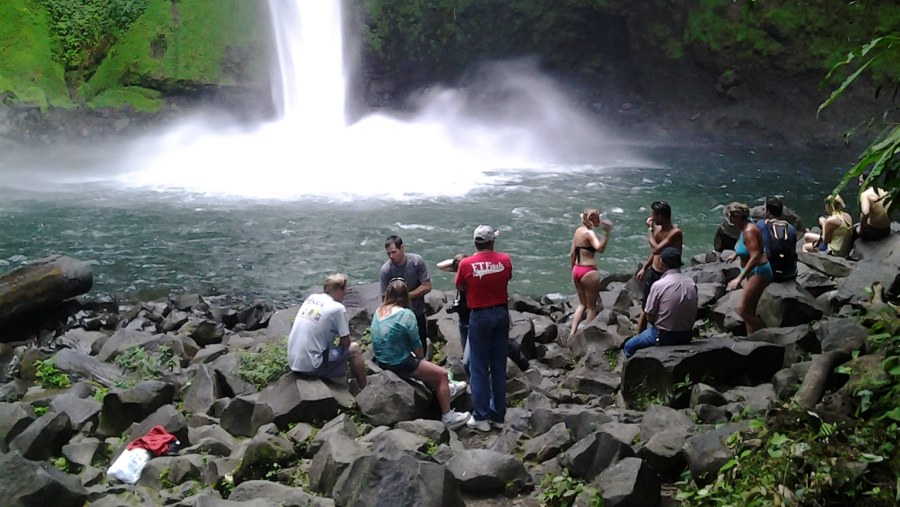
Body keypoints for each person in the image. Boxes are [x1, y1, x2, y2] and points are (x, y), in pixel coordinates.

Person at [371, 278, 471, 430]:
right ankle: (448, 417)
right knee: (442, 374)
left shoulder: (379, 310)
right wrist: (421, 358)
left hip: (381, 360)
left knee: (427, 371)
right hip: (399, 363)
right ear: (406, 295)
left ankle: (445, 390)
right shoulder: (406, 314)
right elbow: (417, 346)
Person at [455, 225, 512, 432]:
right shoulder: (505, 260)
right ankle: (498, 415)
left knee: (478, 368)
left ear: (475, 242)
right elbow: (507, 278)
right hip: (501, 314)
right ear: (492, 241)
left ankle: (481, 415)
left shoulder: (467, 264)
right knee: (498, 366)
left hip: (479, 315)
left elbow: (460, 286)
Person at [287, 273, 367, 388]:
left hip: (293, 362)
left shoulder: (311, 298)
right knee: (354, 349)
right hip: (312, 366)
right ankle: (363, 387)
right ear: (339, 290)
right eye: (345, 290)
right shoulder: (337, 308)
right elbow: (346, 342)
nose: (345, 293)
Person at [623, 247, 697, 358]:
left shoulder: (659, 285)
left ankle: (632, 372)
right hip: (686, 335)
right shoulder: (691, 283)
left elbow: (649, 314)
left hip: (664, 335)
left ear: (661, 262)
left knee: (629, 346)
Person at [724, 202, 772, 335]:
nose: (730, 221)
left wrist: (738, 279)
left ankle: (768, 335)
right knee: (749, 311)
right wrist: (736, 253)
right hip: (750, 271)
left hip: (759, 271)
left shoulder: (749, 230)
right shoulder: (744, 227)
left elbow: (756, 255)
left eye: (731, 217)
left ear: (738, 216)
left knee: (744, 311)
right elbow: (746, 246)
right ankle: (752, 340)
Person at [635, 201, 683, 333]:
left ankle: (659, 333)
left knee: (664, 306)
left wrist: (649, 230)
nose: (652, 218)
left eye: (654, 215)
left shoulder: (675, 232)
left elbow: (656, 249)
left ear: (661, 216)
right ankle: (638, 336)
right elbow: (654, 254)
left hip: (668, 275)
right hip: (655, 272)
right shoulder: (658, 229)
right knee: (646, 307)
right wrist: (645, 267)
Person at [380, 235, 432, 343]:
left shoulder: (416, 262)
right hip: (397, 318)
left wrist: (406, 296)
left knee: (420, 343)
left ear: (402, 248)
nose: (391, 256)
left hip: (417, 312)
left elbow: (426, 286)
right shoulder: (386, 270)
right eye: (388, 253)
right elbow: (384, 298)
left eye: (394, 252)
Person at [568, 208, 611, 335]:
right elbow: (600, 249)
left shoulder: (577, 231)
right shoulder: (589, 233)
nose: (599, 220)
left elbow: (571, 254)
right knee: (592, 307)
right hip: (589, 272)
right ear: (591, 219)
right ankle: (587, 336)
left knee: (582, 304)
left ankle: (572, 333)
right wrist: (606, 233)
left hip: (577, 269)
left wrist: (572, 271)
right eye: (597, 218)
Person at [755, 196, 798, 282]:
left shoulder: (761, 225)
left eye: (764, 209)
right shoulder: (791, 228)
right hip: (790, 273)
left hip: (770, 274)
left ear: (768, 211)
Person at [856, 174, 891, 242]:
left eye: (861, 182)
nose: (859, 184)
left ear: (867, 181)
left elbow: (865, 213)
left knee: (855, 230)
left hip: (874, 232)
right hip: (887, 230)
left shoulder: (865, 194)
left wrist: (861, 228)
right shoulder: (885, 191)